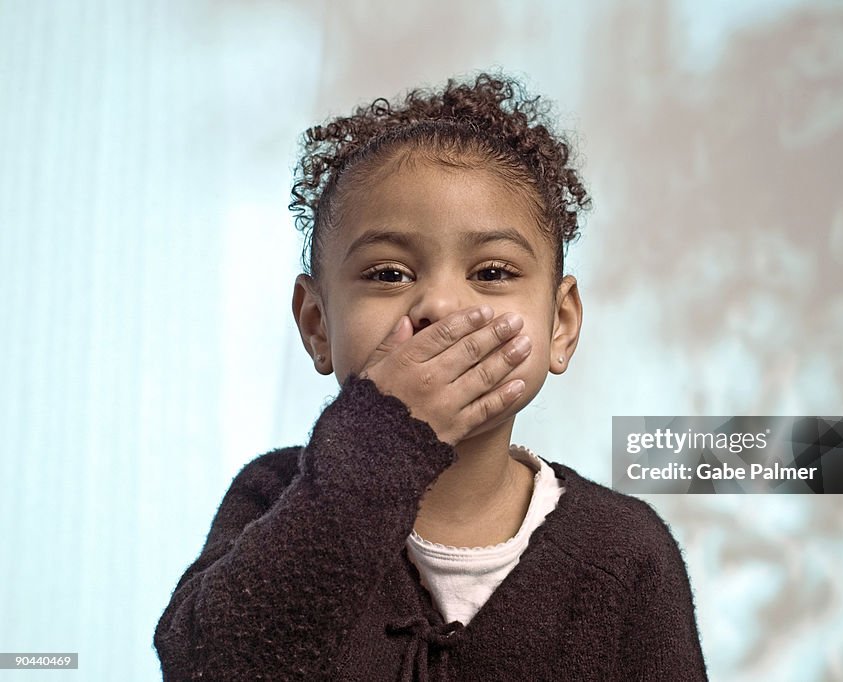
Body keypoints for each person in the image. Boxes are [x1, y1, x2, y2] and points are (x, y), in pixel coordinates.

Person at [153, 72, 708, 681]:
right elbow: (206, 666)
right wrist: (379, 442)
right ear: (317, 324)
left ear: (561, 325)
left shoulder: (626, 552)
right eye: (389, 274)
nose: (440, 305)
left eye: (493, 271)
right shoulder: (274, 498)